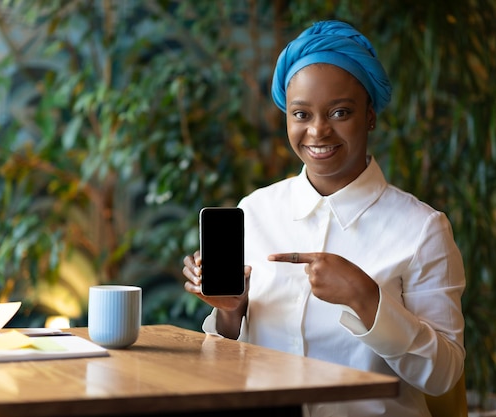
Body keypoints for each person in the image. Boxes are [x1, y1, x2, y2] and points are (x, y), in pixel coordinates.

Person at [182, 20, 465, 417]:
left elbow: (444, 376)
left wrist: (368, 301)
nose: (317, 131)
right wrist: (231, 312)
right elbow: (223, 365)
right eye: (301, 114)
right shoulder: (255, 211)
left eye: (340, 112)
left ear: (370, 116)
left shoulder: (422, 229)